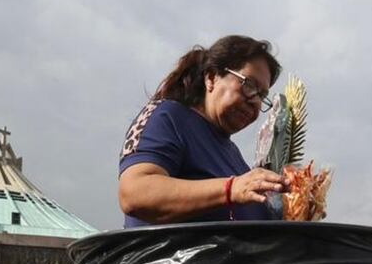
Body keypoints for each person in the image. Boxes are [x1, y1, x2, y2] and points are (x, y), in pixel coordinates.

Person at [119, 35, 287, 226]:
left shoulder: (234, 157)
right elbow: (135, 193)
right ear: (211, 77)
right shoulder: (168, 116)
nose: (255, 101)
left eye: (262, 95)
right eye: (248, 85)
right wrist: (230, 189)